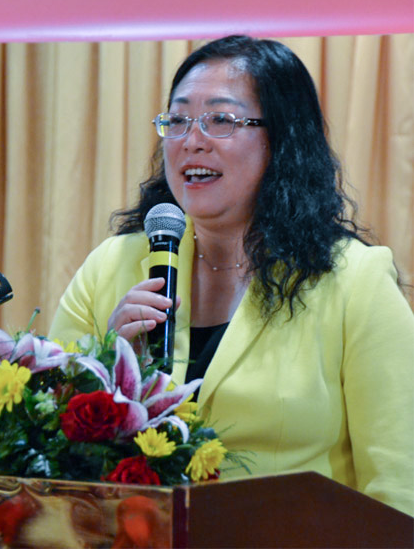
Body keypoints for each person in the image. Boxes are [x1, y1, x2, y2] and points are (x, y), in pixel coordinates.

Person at [49, 35, 414, 516]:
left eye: (221, 120)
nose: (192, 141)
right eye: (178, 121)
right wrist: (105, 363)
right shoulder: (110, 266)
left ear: (281, 139)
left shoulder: (355, 280)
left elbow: (399, 485)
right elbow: (42, 441)